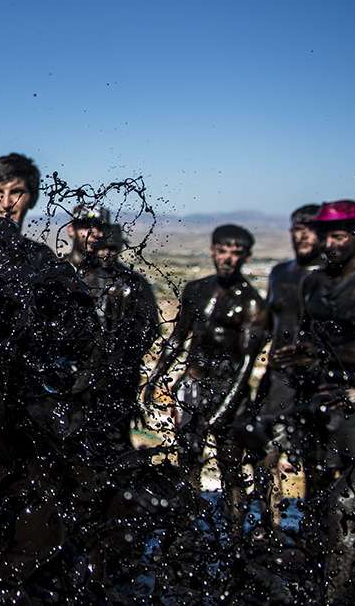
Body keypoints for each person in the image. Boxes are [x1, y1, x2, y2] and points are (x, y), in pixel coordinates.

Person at [145, 224, 269, 528]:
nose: (227, 258)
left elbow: (246, 366)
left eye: (235, 253)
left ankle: (234, 534)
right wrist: (154, 377)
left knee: (230, 465)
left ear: (247, 257)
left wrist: (225, 408)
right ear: (212, 250)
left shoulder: (252, 303)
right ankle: (188, 525)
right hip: (194, 383)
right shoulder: (195, 290)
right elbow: (178, 338)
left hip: (230, 388)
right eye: (222, 250)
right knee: (188, 456)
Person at [275, 200, 355, 505]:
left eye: (338, 236)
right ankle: (311, 551)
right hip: (315, 397)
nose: (328, 245)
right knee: (313, 486)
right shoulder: (311, 283)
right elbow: (305, 333)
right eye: (324, 236)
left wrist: (324, 355)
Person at [249, 204, 323, 534]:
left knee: (318, 459)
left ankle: (314, 530)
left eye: (310, 228)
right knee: (265, 454)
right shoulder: (280, 273)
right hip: (278, 379)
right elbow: (264, 326)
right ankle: (271, 525)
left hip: (319, 380)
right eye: (297, 228)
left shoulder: (331, 276)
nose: (303, 234)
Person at [68, 214, 160, 451]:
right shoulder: (81, 278)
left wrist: (124, 358)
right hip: (82, 375)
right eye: (102, 249)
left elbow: (149, 329)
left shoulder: (133, 283)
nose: (106, 254)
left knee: (115, 436)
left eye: (112, 249)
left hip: (119, 378)